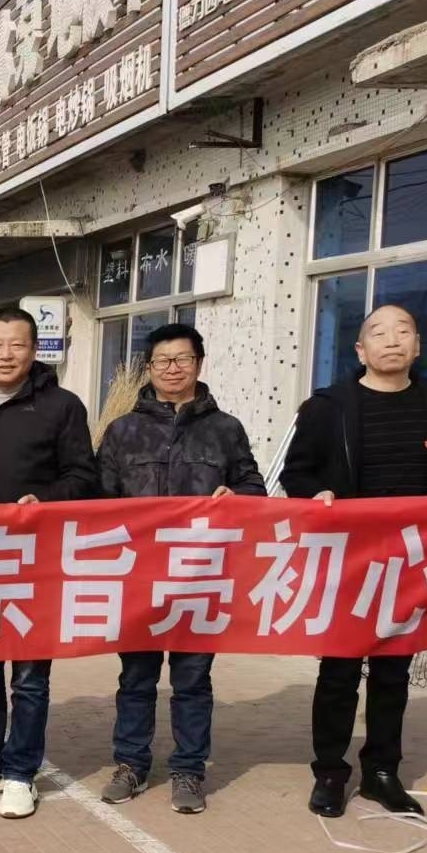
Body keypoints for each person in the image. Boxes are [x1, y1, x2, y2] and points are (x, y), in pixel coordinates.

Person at [281, 304, 427, 818]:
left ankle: (382, 772)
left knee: (393, 670)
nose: (392, 340)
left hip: (410, 560)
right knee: (339, 672)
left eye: (403, 331)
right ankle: (330, 773)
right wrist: (315, 494)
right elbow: (295, 473)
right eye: (379, 333)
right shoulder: (327, 407)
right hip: (350, 560)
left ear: (417, 346)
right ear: (360, 349)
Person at [95, 323, 266, 815]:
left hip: (200, 575)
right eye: (162, 361)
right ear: (149, 368)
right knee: (136, 678)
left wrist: (237, 495)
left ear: (199, 363)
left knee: (193, 680)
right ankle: (130, 763)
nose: (172, 368)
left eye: (182, 359)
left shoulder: (225, 429)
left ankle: (189, 769)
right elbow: (97, 500)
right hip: (139, 577)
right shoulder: (123, 431)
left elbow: (253, 485)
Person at [0, 305, 98, 819]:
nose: (5, 355)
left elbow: (84, 478)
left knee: (29, 677)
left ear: (35, 349)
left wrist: (43, 499)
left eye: (17, 345)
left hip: (36, 562)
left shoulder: (62, 406)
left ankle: (21, 773)